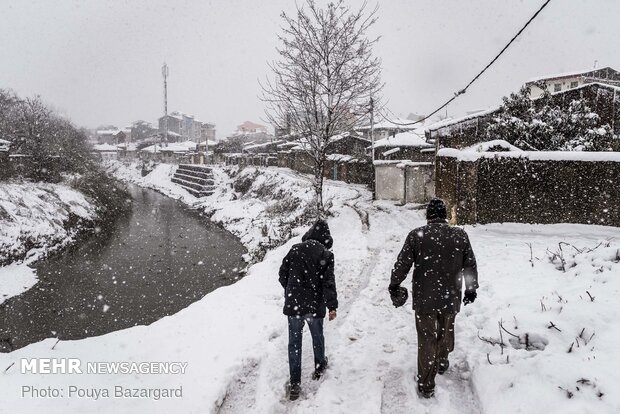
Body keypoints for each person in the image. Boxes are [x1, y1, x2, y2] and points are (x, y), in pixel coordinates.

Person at [389, 198, 478, 399]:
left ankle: (427, 383)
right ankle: (442, 360)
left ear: (428, 216)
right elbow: (469, 264)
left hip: (424, 297)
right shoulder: (459, 235)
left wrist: (395, 283)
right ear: (445, 216)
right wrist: (470, 289)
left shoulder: (417, 236)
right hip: (450, 295)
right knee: (446, 332)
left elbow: (403, 263)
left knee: (426, 338)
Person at [279, 219, 338, 401]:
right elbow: (328, 282)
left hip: (294, 304)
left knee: (294, 343)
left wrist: (290, 291)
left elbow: (282, 274)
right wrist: (332, 306)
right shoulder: (325, 254)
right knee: (317, 337)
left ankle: (295, 383)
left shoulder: (295, 249)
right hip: (314, 305)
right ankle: (320, 366)